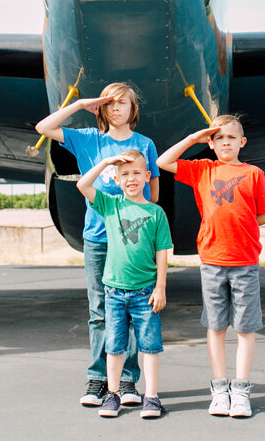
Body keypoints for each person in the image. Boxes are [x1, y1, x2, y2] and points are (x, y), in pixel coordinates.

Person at [34, 82, 160, 407]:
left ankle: (129, 382)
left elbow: (154, 195)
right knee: (99, 311)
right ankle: (98, 379)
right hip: (98, 238)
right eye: (111, 103)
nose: (117, 108)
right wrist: (79, 104)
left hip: (133, 240)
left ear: (134, 109)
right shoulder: (88, 139)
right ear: (103, 109)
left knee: (133, 311)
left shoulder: (145, 145)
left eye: (123, 103)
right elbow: (44, 127)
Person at [156, 114, 265, 418]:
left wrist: (239, 229)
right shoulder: (201, 170)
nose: (226, 143)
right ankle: (220, 390)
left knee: (245, 328)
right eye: (219, 138)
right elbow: (164, 162)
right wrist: (193, 138)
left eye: (231, 137)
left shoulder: (254, 174)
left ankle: (241, 389)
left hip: (245, 261)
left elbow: (262, 216)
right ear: (211, 143)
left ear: (242, 142)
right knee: (216, 326)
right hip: (212, 260)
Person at [76, 151, 172, 419]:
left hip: (145, 293)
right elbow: (83, 185)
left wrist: (161, 286)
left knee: (150, 347)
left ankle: (151, 397)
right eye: (125, 174)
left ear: (147, 176)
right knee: (114, 347)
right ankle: (113, 394)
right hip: (114, 293)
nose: (131, 179)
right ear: (117, 180)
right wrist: (106, 162)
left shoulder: (156, 213)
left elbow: (163, 250)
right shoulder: (111, 205)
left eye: (137, 173)